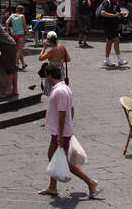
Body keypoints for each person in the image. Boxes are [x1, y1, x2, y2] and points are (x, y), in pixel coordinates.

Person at [38, 64, 101, 199]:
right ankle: (52, 186)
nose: (46, 80)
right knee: (52, 156)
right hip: (60, 131)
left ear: (49, 75)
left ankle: (91, 182)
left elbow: (62, 114)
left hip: (60, 132)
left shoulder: (59, 91)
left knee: (64, 162)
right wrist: (68, 126)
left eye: (46, 77)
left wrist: (61, 133)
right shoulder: (64, 88)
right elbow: (71, 109)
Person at [97, 0, 127, 67]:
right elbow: (103, 13)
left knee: (109, 41)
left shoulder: (115, 3)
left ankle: (106, 60)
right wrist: (113, 16)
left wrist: (121, 14)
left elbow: (117, 12)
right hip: (108, 25)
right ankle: (119, 60)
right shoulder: (107, 2)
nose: (118, 0)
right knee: (116, 40)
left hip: (113, 25)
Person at [7, 6, 28, 70]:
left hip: (13, 34)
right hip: (20, 34)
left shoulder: (12, 15)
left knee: (19, 50)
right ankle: (15, 63)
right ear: (22, 10)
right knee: (19, 50)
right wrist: (28, 32)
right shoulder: (22, 16)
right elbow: (24, 25)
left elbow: (6, 22)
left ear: (16, 9)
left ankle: (23, 64)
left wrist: (7, 31)